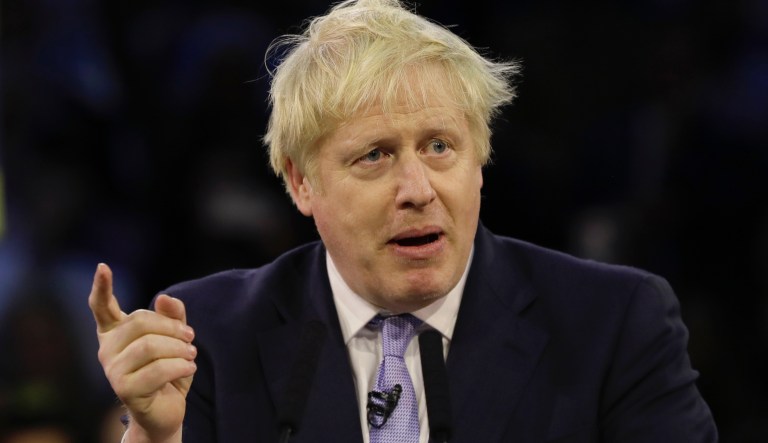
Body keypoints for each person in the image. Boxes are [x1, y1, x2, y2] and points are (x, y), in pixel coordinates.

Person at [88, 0, 718, 441]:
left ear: (481, 159)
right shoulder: (208, 337)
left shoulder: (615, 324)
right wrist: (152, 436)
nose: (417, 190)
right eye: (375, 156)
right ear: (300, 181)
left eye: (440, 146)